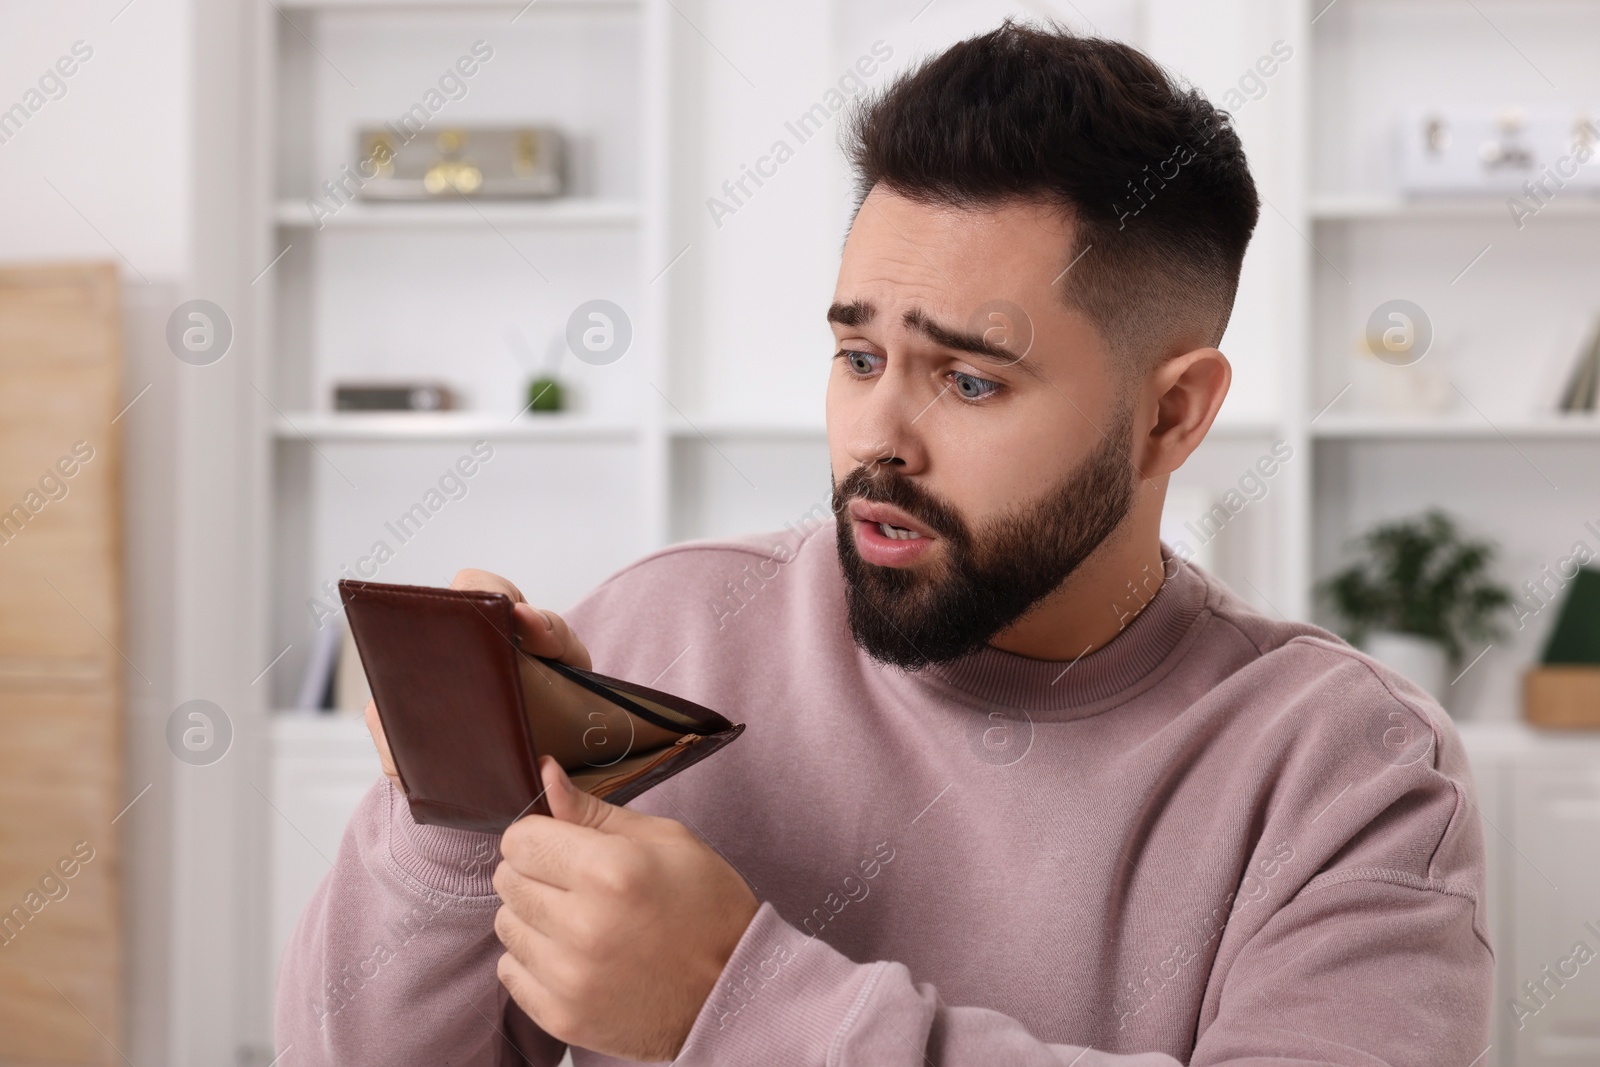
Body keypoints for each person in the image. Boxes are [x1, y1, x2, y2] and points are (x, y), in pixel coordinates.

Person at [276, 21, 1492, 1066]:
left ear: (1171, 412)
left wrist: (731, 1004)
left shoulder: (1355, 768)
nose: (878, 440)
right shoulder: (657, 634)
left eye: (968, 380)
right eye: (857, 357)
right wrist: (450, 810)